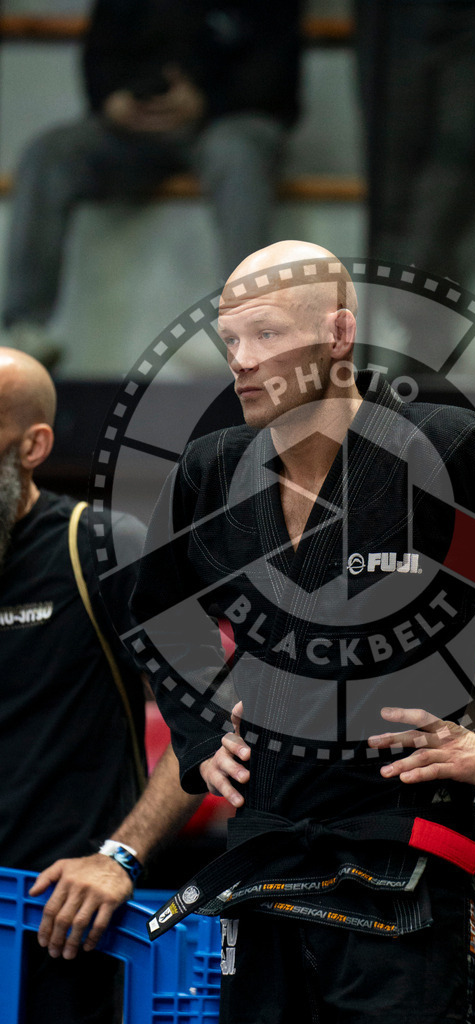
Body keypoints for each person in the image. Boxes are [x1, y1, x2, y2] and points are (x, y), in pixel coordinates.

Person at [131, 239, 475, 1024]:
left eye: (267, 333)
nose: (241, 360)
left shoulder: (450, 448)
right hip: (261, 854)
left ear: (338, 334)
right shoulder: (213, 467)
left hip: (402, 866)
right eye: (230, 339)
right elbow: (152, 602)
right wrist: (200, 731)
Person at [0, 347, 202, 1023]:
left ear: (33, 446)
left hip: (56, 927)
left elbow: (207, 721)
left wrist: (121, 857)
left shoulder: (102, 547)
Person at [1, 0, 301, 369]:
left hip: (228, 119)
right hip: (134, 130)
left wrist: (208, 100)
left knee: (237, 154)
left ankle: (248, 325)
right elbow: (100, 53)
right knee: (49, 153)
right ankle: (26, 328)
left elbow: (278, 77)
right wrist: (112, 100)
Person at [355, 0, 475, 283]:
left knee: (455, 167)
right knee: (392, 193)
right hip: (395, 15)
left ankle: (411, 292)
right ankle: (409, 297)